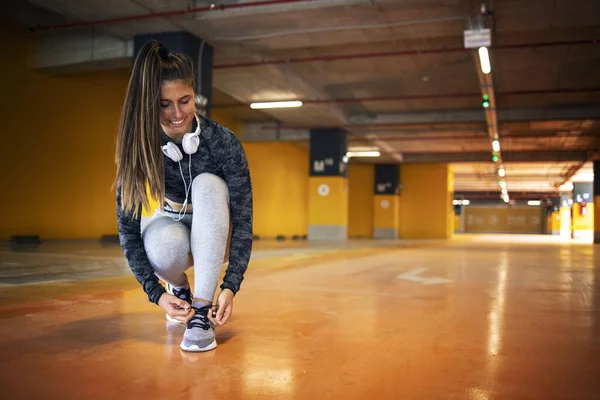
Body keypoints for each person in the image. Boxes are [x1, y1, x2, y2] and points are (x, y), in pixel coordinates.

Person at [113, 40, 253, 352]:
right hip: (169, 223)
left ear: (195, 96)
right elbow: (127, 229)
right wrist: (157, 294)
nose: (177, 114)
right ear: (151, 105)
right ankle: (179, 287)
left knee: (208, 183)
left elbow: (244, 218)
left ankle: (200, 311)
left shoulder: (222, 142)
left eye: (185, 100)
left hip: (218, 230)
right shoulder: (141, 146)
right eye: (164, 105)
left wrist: (230, 286)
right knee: (166, 245)